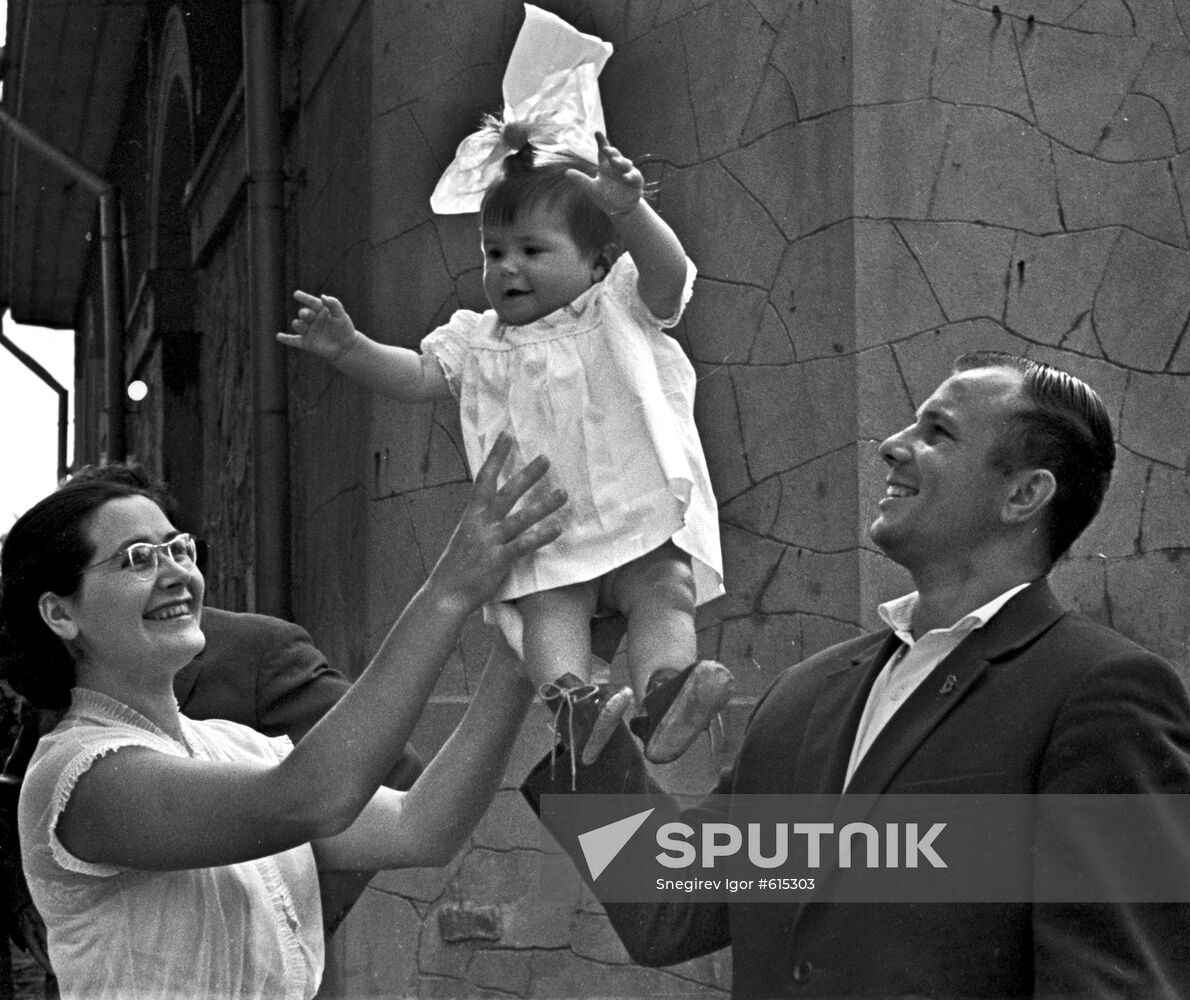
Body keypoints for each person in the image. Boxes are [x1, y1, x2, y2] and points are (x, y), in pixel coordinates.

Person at [524, 352, 1190, 998]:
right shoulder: (804, 695)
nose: (893, 445)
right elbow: (667, 907)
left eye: (939, 433)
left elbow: (1116, 982)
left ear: (1023, 494)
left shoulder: (1102, 693)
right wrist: (583, 738)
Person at [277, 6, 731, 769]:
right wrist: (351, 348)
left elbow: (673, 277)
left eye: (531, 249)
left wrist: (633, 209)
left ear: (594, 261)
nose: (506, 268)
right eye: (494, 251)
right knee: (547, 610)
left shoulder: (614, 303)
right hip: (544, 529)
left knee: (667, 591)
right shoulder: (478, 338)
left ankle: (665, 698)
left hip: (635, 511)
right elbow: (420, 377)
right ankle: (575, 709)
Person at [0, 433, 564, 1000]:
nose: (174, 573)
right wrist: (449, 591)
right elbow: (313, 798)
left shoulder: (237, 745)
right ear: (59, 613)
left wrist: (513, 662)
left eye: (178, 549)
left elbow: (420, 827)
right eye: (138, 559)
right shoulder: (78, 776)